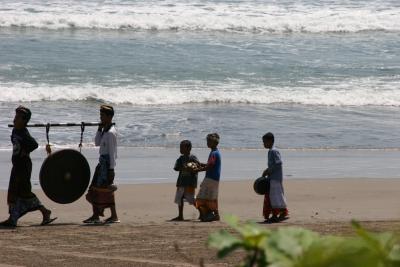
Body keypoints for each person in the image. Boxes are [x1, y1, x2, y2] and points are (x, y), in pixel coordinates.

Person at [0, 106, 56, 227]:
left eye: (18, 118)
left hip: (24, 166)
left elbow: (34, 144)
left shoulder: (24, 133)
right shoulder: (15, 131)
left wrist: (26, 151)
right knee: (14, 191)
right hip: (17, 165)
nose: (14, 120)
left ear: (24, 121)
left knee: (24, 192)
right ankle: (13, 218)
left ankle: (45, 212)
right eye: (15, 117)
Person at [84, 105, 119, 224]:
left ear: (109, 117)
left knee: (102, 190)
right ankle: (102, 215)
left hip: (107, 165)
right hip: (102, 163)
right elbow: (97, 143)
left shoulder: (111, 133)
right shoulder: (105, 130)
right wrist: (99, 129)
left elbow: (113, 152)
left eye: (102, 116)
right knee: (99, 189)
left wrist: (111, 169)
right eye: (100, 116)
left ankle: (108, 216)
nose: (101, 118)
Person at [261, 132, 288, 223]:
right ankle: (283, 212)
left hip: (275, 178)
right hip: (273, 177)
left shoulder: (274, 151)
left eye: (265, 142)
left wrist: (269, 170)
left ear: (271, 141)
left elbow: (279, 163)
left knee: (275, 196)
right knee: (278, 196)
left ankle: (275, 215)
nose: (263, 144)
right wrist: (267, 170)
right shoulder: (270, 151)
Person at [195, 133, 222, 222]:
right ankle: (215, 215)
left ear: (214, 142)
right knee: (211, 198)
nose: (207, 143)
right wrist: (201, 164)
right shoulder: (216, 152)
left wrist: (198, 170)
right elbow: (210, 164)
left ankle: (206, 215)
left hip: (210, 179)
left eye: (209, 141)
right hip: (215, 179)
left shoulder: (213, 153)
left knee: (200, 198)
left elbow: (210, 166)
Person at [171, 140, 200, 221]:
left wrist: (192, 167)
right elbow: (176, 168)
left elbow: (198, 166)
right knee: (180, 198)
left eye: (182, 147)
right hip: (181, 182)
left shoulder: (193, 157)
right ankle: (180, 216)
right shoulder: (180, 158)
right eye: (180, 147)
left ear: (189, 148)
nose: (180, 149)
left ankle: (202, 212)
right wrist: (183, 168)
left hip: (190, 183)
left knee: (192, 199)